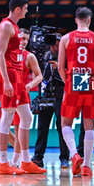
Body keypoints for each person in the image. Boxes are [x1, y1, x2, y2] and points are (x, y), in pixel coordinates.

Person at [0, 0, 46, 175]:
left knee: (27, 118)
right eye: (25, 9)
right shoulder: (6, 26)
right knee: (7, 118)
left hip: (18, 76)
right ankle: (3, 163)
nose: (26, 12)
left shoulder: (15, 27)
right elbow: (0, 55)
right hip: (9, 75)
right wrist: (6, 82)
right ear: (17, 9)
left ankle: (25, 161)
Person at [58, 6, 94, 177]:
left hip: (74, 79)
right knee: (89, 125)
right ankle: (86, 165)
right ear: (90, 19)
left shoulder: (65, 38)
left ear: (75, 19)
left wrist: (68, 83)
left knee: (65, 123)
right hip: (91, 79)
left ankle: (74, 154)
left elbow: (59, 67)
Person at [31, 34, 70, 169]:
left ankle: (65, 158)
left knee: (62, 128)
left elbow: (71, 76)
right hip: (46, 95)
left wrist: (59, 68)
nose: (55, 47)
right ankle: (37, 157)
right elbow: (36, 75)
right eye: (52, 44)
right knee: (42, 128)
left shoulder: (67, 56)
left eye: (57, 43)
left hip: (61, 96)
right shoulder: (43, 56)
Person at [5, 28, 43, 168]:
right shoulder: (7, 53)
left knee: (18, 127)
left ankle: (15, 160)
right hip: (8, 94)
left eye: (26, 39)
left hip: (21, 94)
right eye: (22, 38)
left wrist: (29, 85)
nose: (24, 41)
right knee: (4, 128)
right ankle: (19, 154)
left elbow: (39, 76)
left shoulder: (29, 56)